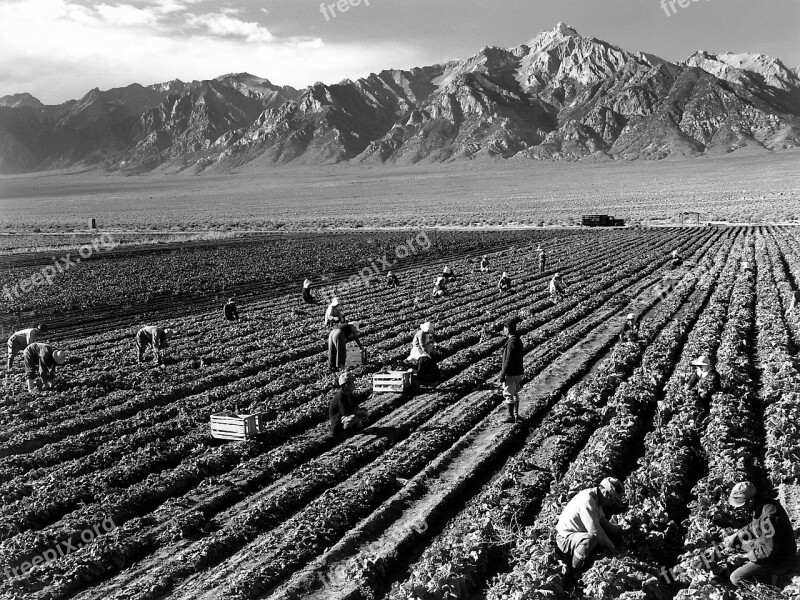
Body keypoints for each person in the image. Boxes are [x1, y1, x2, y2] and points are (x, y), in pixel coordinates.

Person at [722, 481, 797, 587]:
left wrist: (745, 557)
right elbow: (755, 526)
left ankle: (779, 580)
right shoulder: (760, 504)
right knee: (738, 543)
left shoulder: (769, 516)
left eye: (741, 505)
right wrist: (737, 535)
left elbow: (767, 552)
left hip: (780, 558)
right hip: (767, 545)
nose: (738, 508)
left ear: (751, 500)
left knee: (736, 578)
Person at [555, 477, 625, 571]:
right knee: (590, 540)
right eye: (612, 499)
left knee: (605, 538)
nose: (612, 503)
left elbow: (602, 522)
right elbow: (595, 530)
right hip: (566, 537)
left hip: (579, 533)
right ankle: (575, 570)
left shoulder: (596, 498)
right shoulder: (587, 501)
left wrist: (617, 530)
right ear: (605, 492)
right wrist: (612, 549)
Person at [499, 319, 524, 423]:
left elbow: (508, 360)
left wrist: (503, 373)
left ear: (508, 329)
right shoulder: (518, 340)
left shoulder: (511, 342)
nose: (504, 331)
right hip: (519, 371)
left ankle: (510, 416)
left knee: (509, 393)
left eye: (504, 329)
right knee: (515, 393)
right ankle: (516, 414)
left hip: (512, 372)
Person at [329, 372, 366, 437]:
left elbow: (354, 406)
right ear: (346, 385)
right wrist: (359, 411)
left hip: (344, 417)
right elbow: (345, 412)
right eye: (352, 383)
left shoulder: (349, 394)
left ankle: (354, 428)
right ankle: (344, 432)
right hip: (338, 422)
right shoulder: (340, 397)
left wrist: (361, 411)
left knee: (361, 412)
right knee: (354, 417)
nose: (354, 384)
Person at [408, 322, 441, 386]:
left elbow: (426, 343)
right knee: (424, 360)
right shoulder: (421, 333)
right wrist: (426, 352)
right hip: (417, 350)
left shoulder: (425, 334)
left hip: (421, 351)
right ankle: (421, 378)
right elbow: (422, 344)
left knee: (426, 360)